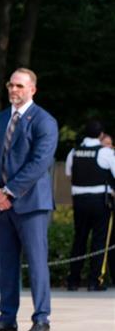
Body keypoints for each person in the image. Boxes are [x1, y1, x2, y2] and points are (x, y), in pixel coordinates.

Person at [0, 68, 58, 331]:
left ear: (32, 89)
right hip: (0, 204)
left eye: (20, 86)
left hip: (31, 204)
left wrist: (8, 192)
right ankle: (7, 317)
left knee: (36, 262)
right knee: (7, 263)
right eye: (11, 85)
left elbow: (39, 163)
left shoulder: (44, 121)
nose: (14, 90)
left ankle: (41, 318)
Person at [65, 120, 114, 291]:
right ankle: (95, 281)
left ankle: (73, 280)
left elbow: (69, 174)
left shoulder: (74, 152)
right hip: (99, 201)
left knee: (79, 239)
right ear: (101, 135)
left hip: (79, 201)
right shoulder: (105, 152)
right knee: (99, 241)